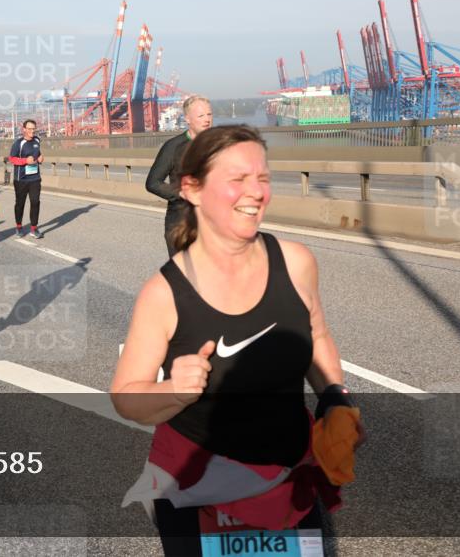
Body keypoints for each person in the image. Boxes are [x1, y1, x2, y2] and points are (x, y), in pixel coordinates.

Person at [111, 125, 364, 556]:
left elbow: (318, 334)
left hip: (286, 478)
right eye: (238, 179)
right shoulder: (165, 291)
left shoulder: (296, 262)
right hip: (197, 487)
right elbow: (125, 396)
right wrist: (174, 390)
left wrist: (335, 397)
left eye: (262, 178)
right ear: (191, 189)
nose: (256, 192)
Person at [145, 95, 214, 257]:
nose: (207, 120)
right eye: (201, 116)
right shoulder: (173, 147)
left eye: (209, 114)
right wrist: (182, 194)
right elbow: (153, 182)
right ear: (187, 119)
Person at [7, 119, 44, 239]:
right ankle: (18, 226)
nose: (32, 131)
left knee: (35, 202)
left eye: (33, 129)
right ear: (24, 129)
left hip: (35, 178)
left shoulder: (37, 140)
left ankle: (34, 228)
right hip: (21, 179)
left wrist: (40, 157)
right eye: (29, 129)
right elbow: (11, 158)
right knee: (20, 204)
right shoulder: (19, 143)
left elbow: (37, 152)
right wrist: (24, 161)